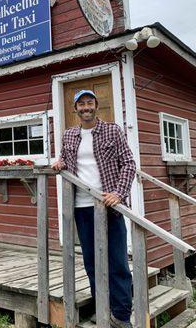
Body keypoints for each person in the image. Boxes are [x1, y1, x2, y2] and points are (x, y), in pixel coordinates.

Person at [52, 89, 136, 328]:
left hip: (110, 206)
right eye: (81, 104)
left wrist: (119, 193)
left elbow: (129, 163)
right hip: (81, 207)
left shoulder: (112, 130)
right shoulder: (69, 135)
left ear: (96, 106)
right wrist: (60, 163)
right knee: (91, 261)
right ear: (75, 109)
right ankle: (102, 308)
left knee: (117, 261)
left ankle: (121, 315)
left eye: (90, 103)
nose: (86, 107)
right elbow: (67, 160)